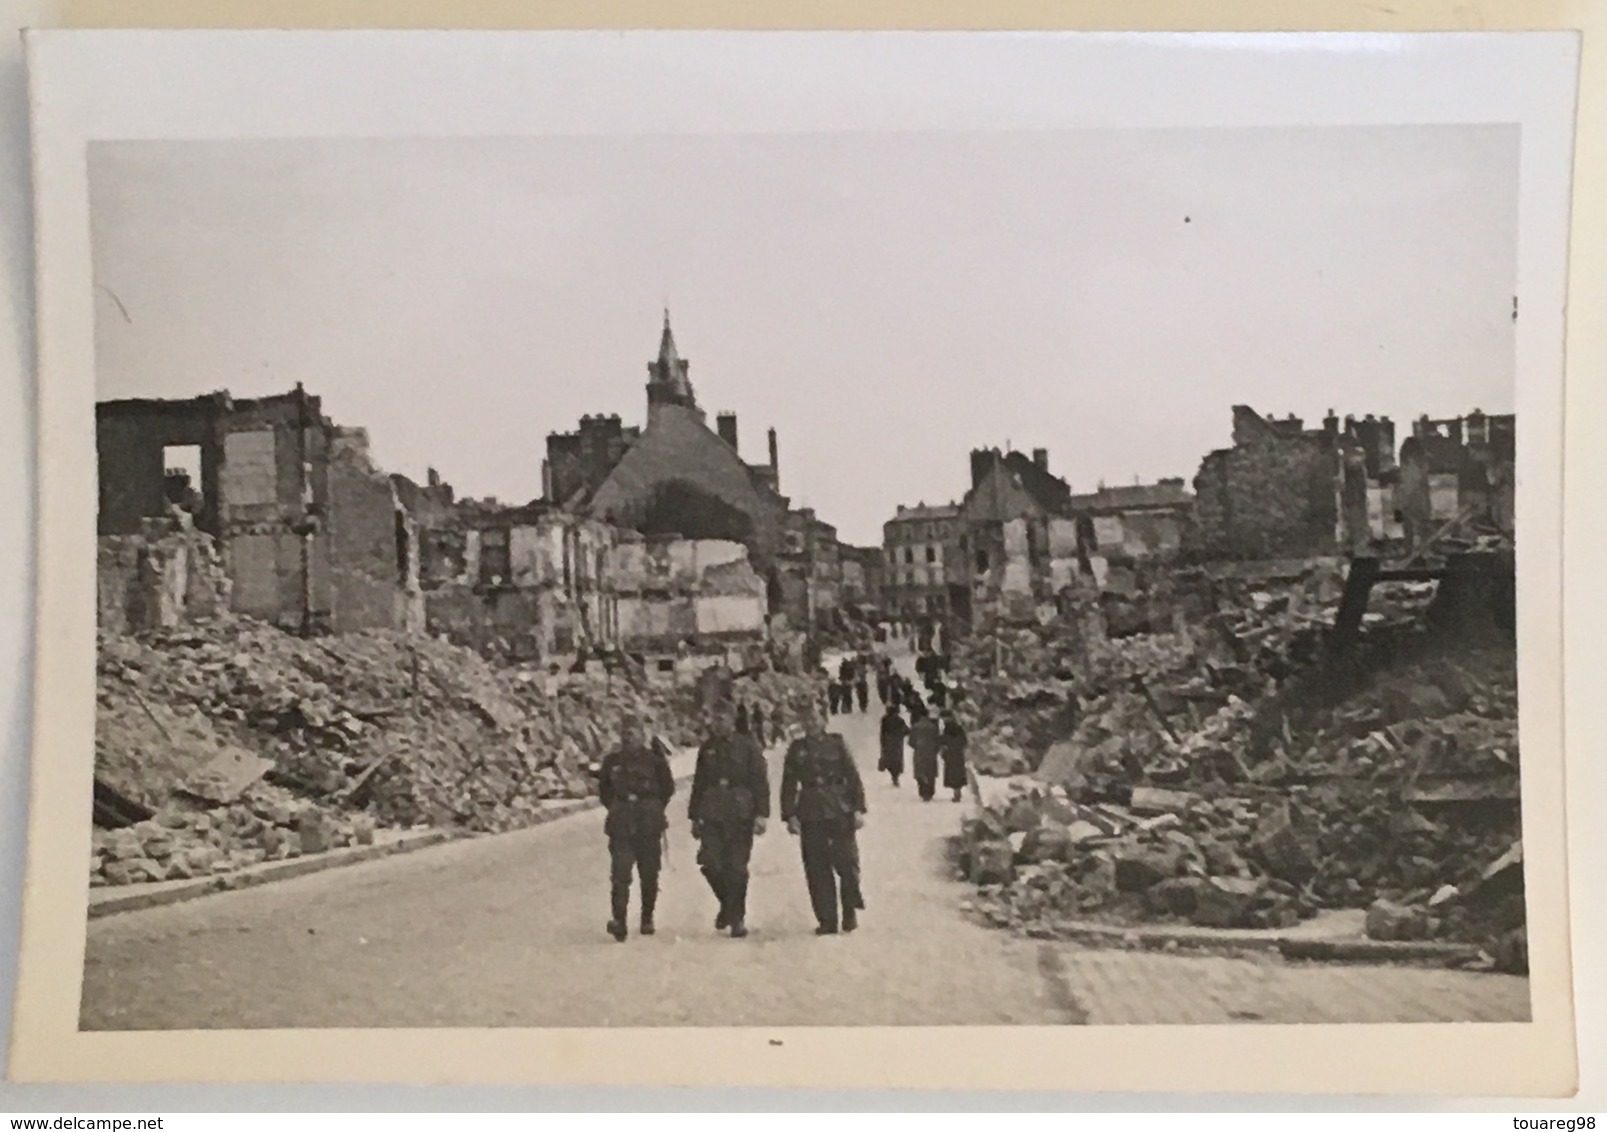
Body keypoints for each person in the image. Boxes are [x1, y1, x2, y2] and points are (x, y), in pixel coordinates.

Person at [780, 708, 868, 935]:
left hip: (839, 808)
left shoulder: (836, 743)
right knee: (817, 868)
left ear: (824, 721)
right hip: (810, 811)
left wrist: (858, 808)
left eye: (815, 718)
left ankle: (850, 910)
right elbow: (789, 783)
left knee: (847, 863)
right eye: (807, 719)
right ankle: (827, 919)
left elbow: (852, 775)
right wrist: (789, 815)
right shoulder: (797, 749)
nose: (811, 723)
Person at [688, 700, 770, 938]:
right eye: (714, 719)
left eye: (721, 719)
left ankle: (737, 918)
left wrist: (761, 814)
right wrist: (694, 816)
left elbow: (759, 782)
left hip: (739, 812)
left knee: (736, 867)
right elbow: (699, 783)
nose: (716, 724)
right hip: (712, 812)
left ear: (732, 720)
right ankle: (728, 905)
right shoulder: (707, 748)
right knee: (710, 863)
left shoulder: (747, 747)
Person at [596, 715, 676, 942]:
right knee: (620, 872)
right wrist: (616, 807)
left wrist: (652, 808)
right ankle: (619, 920)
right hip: (621, 824)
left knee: (649, 873)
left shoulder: (655, 761)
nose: (627, 737)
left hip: (648, 824)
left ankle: (647, 917)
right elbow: (604, 790)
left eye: (632, 733)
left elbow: (667, 789)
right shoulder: (612, 762)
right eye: (624, 732)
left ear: (642, 735)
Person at [908, 705, 942, 803]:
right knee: (930, 771)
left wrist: (916, 746)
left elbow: (911, 741)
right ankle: (930, 791)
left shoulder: (915, 726)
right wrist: (936, 749)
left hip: (919, 751)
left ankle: (923, 791)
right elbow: (937, 739)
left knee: (920, 771)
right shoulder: (933, 727)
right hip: (931, 751)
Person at [940, 710, 969, 803]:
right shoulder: (959, 728)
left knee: (952, 773)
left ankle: (956, 792)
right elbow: (964, 741)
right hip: (958, 753)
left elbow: (943, 740)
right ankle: (957, 791)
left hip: (950, 753)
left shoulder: (947, 728)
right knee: (958, 773)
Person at [878, 702, 909, 787]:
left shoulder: (884, 719)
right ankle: (895, 776)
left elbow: (882, 732)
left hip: (887, 742)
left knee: (889, 758)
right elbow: (906, 731)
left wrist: (883, 741)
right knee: (897, 759)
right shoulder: (900, 720)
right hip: (897, 742)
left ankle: (892, 773)